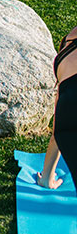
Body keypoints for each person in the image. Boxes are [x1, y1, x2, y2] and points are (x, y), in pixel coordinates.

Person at [38, 25, 77, 190]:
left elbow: (57, 134)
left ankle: (46, 179)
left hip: (70, 98)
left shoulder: (66, 56)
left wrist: (47, 178)